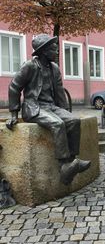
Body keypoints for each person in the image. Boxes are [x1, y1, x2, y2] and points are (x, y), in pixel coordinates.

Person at [6, 34, 91, 185]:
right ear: (44, 51)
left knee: (74, 121)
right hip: (34, 107)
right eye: (54, 48)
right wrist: (14, 113)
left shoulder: (54, 68)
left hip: (51, 107)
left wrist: (65, 112)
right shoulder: (30, 66)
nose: (57, 51)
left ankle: (72, 162)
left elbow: (59, 93)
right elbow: (14, 87)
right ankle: (64, 166)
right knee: (57, 124)